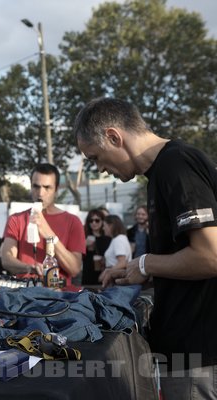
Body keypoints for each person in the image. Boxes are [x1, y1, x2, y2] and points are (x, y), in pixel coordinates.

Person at [75, 97, 217, 398]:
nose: (100, 169)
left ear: (114, 136)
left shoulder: (176, 165)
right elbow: (183, 258)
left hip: (199, 355)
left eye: (95, 157)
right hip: (186, 351)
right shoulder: (160, 172)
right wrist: (136, 270)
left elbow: (210, 256)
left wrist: (144, 264)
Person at [0, 164, 86, 286]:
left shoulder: (73, 221)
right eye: (36, 186)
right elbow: (7, 260)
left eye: (47, 187)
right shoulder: (16, 219)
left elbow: (74, 269)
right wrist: (29, 268)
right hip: (24, 292)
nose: (40, 193)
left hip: (59, 295)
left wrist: (48, 233)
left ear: (56, 189)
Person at [81, 209, 112, 285]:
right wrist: (84, 245)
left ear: (102, 221)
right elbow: (77, 257)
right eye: (91, 221)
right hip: (88, 274)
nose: (94, 223)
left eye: (97, 220)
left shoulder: (108, 238)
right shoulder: (84, 237)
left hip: (104, 274)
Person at [98, 215, 131, 283]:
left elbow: (122, 262)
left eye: (104, 225)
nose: (103, 228)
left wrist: (107, 272)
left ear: (111, 226)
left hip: (116, 279)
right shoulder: (118, 239)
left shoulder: (118, 239)